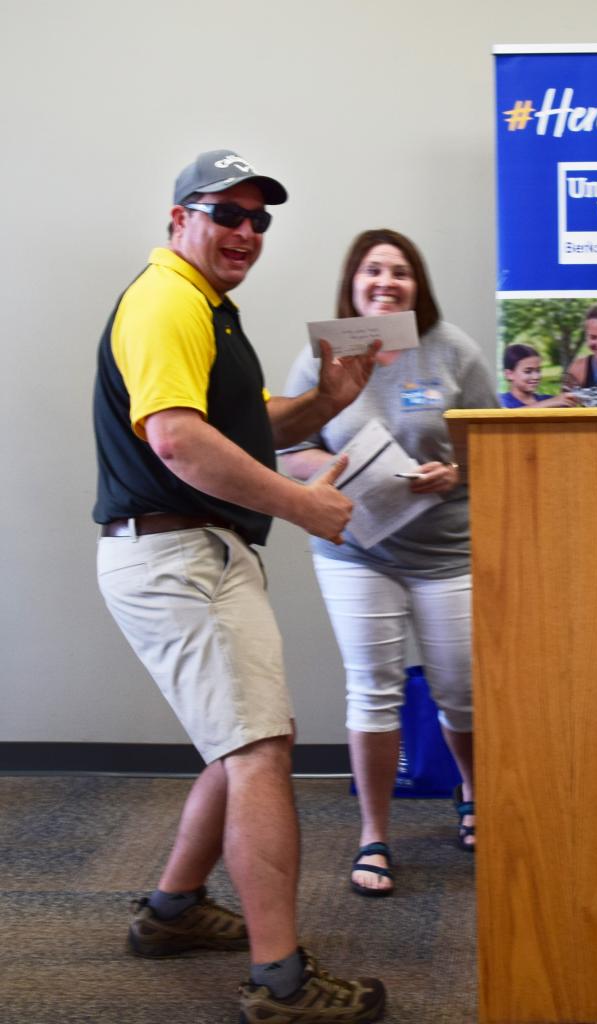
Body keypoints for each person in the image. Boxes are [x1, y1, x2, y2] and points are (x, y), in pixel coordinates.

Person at [93, 149, 386, 1023]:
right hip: (173, 558)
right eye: (229, 213)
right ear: (179, 217)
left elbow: (246, 424)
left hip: (200, 555)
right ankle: (279, 983)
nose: (246, 233)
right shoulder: (163, 302)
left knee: (255, 737)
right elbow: (179, 441)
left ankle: (174, 911)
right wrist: (301, 504)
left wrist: (328, 398)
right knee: (258, 751)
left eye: (260, 219)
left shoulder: (208, 310)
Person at [280, 228, 498, 897]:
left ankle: (472, 794)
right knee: (370, 688)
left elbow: (494, 446)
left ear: (416, 284)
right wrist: (343, 470)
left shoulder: (452, 351)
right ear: (352, 283)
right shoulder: (320, 357)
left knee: (459, 691)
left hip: (445, 552)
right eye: (372, 271)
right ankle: (373, 834)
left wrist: (453, 473)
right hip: (356, 551)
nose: (384, 282)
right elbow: (290, 453)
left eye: (399, 272)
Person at [499, 343, 578, 408]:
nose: (536, 377)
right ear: (509, 374)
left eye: (538, 371)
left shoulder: (548, 400)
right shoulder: (500, 401)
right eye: (528, 371)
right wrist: (549, 403)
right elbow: (507, 415)